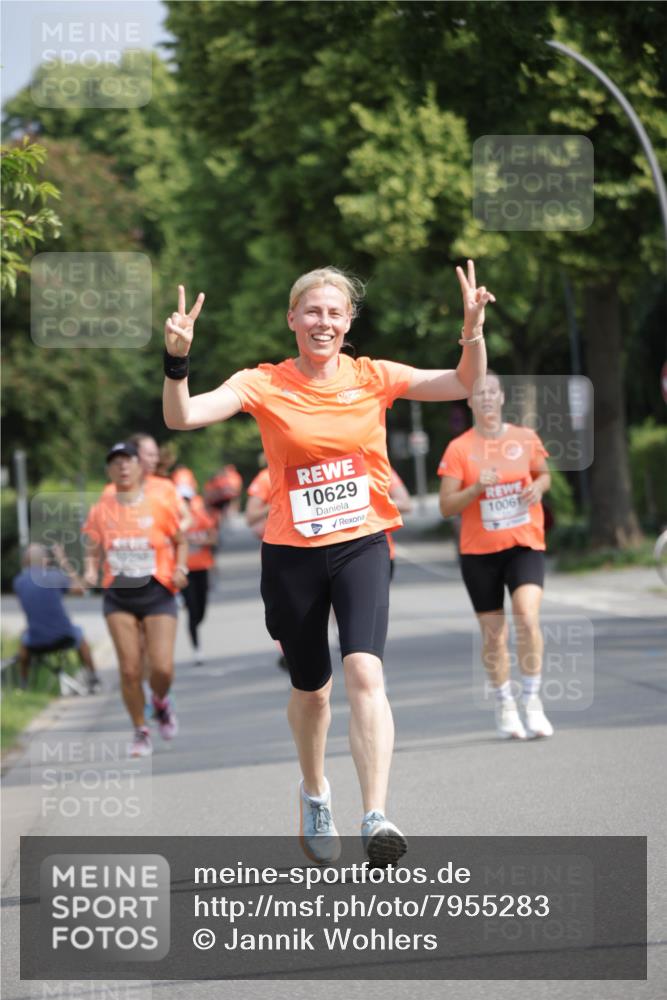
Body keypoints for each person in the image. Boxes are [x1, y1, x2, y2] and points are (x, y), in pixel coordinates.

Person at [163, 261, 493, 865]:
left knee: (366, 672)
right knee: (312, 689)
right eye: (311, 311)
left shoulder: (374, 376)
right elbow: (181, 417)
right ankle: (315, 790)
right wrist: (178, 361)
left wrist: (472, 330)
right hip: (292, 552)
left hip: (363, 541)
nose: (323, 321)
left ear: (349, 322)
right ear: (293, 319)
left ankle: (376, 816)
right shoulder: (262, 383)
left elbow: (463, 384)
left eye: (334, 312)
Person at [438, 371, 554, 741]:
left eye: (492, 391)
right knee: (494, 636)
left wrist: (537, 487)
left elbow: (544, 474)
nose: (486, 398)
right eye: (479, 393)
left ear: (502, 398)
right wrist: (475, 487)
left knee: (527, 617)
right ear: (470, 402)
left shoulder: (525, 438)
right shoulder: (459, 449)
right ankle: (506, 704)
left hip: (524, 543)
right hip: (479, 553)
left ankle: (533, 701)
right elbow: (445, 506)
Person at [83, 442, 188, 757]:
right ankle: (141, 730)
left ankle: (160, 701)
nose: (122, 467)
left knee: (162, 668)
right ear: (109, 471)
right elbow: (91, 544)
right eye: (115, 463)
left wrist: (181, 567)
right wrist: (90, 571)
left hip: (157, 592)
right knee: (129, 670)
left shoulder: (157, 502)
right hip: (119, 595)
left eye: (127, 461)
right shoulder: (102, 507)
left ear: (140, 467)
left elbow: (179, 540)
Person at [13, 543, 100, 693]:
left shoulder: (19, 582)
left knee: (23, 640)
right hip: (64, 636)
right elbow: (81, 589)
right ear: (45, 561)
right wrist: (63, 561)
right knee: (80, 637)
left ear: (25, 562)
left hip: (36, 640)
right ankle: (93, 679)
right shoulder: (54, 576)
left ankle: (23, 684)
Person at [178, 482, 219, 665]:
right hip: (184, 571)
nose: (184, 503)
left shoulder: (200, 517)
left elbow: (213, 537)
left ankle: (194, 623)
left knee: (201, 611)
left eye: (186, 499)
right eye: (181, 500)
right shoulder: (173, 520)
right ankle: (197, 649)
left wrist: (201, 540)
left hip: (202, 568)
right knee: (193, 610)